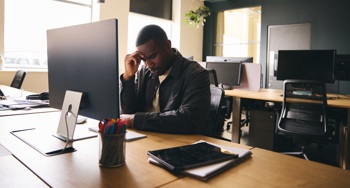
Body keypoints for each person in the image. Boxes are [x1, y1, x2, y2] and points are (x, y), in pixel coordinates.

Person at [120, 24, 210, 134]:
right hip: (149, 139)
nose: (149, 65)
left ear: (167, 45)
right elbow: (129, 112)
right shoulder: (144, 72)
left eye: (152, 56)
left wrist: (136, 120)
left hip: (179, 144)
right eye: (144, 60)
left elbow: (189, 119)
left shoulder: (196, 74)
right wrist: (128, 77)